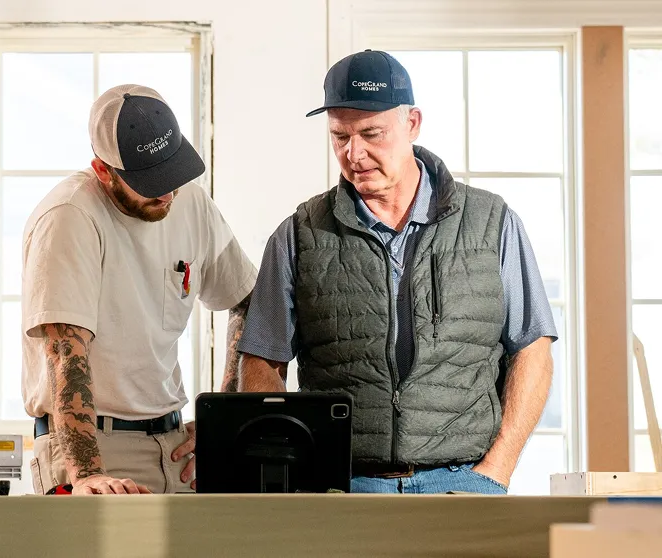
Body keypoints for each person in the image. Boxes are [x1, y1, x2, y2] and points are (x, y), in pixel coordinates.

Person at [235, 50, 557, 495]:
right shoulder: (298, 235)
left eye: (371, 133)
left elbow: (533, 349)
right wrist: (290, 467)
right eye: (340, 136)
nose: (354, 153)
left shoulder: (492, 223)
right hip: (342, 488)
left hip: (465, 481)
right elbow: (261, 361)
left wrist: (497, 468)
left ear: (412, 123)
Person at [21, 84, 257, 496]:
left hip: (174, 446)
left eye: (172, 174)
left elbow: (250, 302)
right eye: (149, 182)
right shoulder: (69, 216)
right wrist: (87, 473)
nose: (167, 192)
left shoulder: (192, 203)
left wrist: (225, 421)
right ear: (103, 171)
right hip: (91, 446)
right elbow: (64, 350)